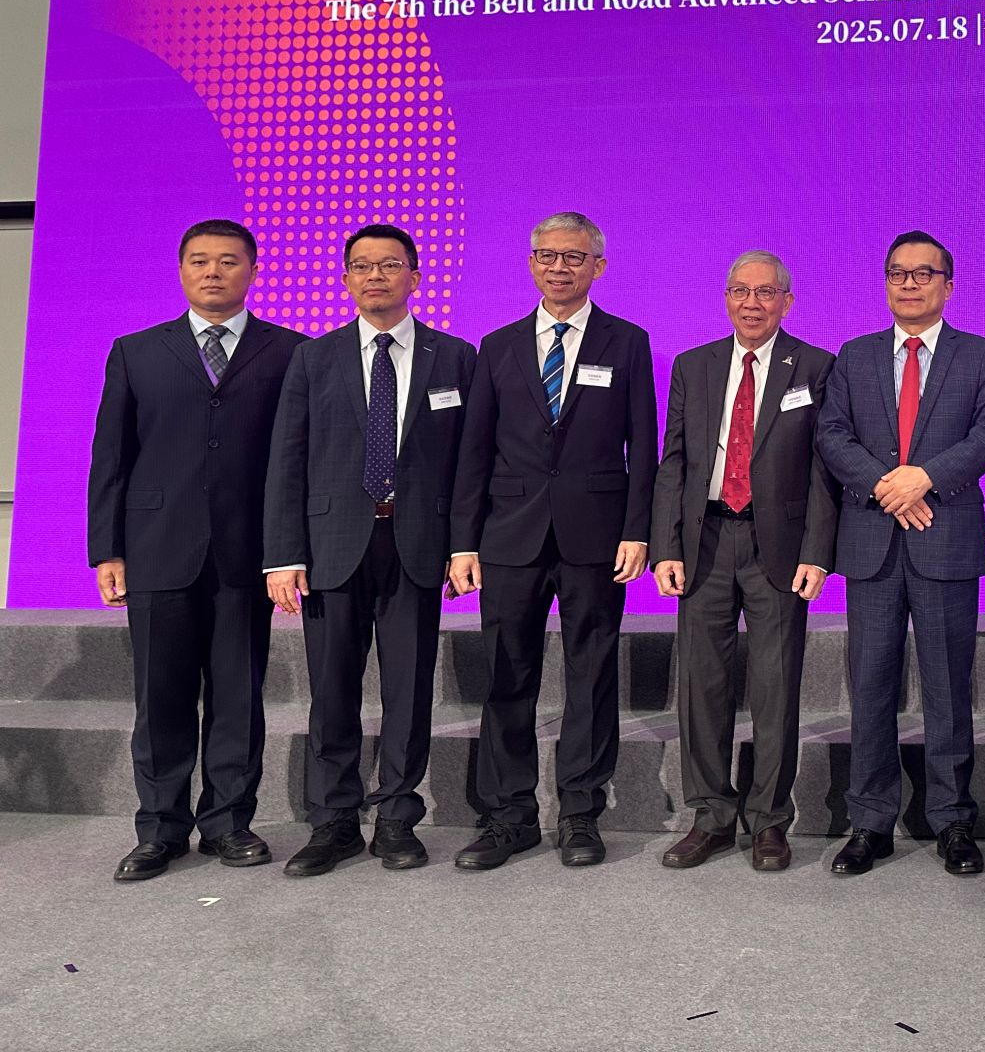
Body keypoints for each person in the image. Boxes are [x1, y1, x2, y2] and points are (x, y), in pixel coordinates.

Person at [87, 220, 306, 882]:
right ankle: (159, 829)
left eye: (228, 261)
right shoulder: (137, 351)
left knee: (238, 696)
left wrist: (289, 549)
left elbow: (297, 461)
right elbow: (111, 457)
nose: (214, 272)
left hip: (247, 553)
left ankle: (228, 823)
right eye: (200, 261)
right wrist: (108, 550)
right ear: (181, 270)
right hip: (156, 550)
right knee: (161, 698)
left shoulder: (291, 351)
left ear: (254, 271)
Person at [263, 224, 477, 876]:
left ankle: (397, 818)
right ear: (346, 279)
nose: (375, 276)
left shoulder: (455, 357)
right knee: (332, 691)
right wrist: (284, 555)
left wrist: (464, 545)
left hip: (417, 546)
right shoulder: (314, 358)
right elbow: (287, 460)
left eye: (388, 265)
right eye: (362, 266)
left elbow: (469, 464)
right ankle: (333, 822)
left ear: (415, 276)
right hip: (332, 546)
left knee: (409, 693)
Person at [449, 213, 657, 871]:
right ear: (531, 262)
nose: (559, 267)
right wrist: (463, 542)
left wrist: (638, 530)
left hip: (596, 536)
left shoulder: (627, 342)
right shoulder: (498, 345)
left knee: (590, 675)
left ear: (599, 265)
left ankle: (580, 814)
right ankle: (508, 817)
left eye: (573, 256)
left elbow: (644, 447)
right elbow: (473, 451)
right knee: (506, 675)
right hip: (509, 534)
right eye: (547, 255)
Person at [815, 231, 985, 878]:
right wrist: (886, 485)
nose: (909, 284)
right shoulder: (855, 356)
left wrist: (923, 478)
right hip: (872, 542)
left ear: (948, 285)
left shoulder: (979, 356)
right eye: (897, 273)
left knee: (948, 687)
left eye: (923, 274)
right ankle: (870, 823)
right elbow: (832, 434)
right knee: (871, 685)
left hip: (946, 539)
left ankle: (952, 820)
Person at [650, 249, 838, 873]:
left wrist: (817, 553)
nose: (751, 304)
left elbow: (824, 471)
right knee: (701, 686)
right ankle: (710, 817)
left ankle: (769, 821)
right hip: (704, 542)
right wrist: (666, 546)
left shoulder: (815, 366)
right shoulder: (694, 365)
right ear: (726, 297)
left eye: (764, 292)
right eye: (740, 291)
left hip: (776, 547)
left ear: (787, 301)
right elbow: (673, 462)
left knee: (775, 688)